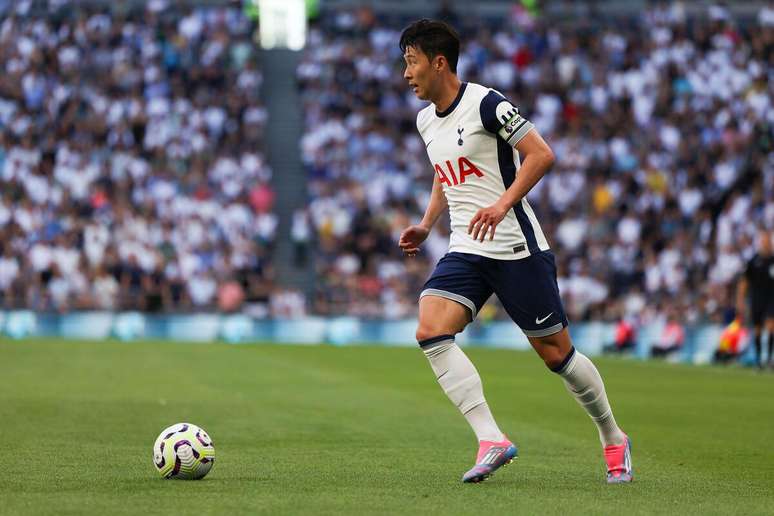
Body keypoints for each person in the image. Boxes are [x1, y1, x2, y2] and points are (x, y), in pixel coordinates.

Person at [397, 19, 632, 484]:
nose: (406, 74)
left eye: (411, 62)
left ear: (438, 62)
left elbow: (541, 153)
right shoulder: (426, 120)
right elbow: (446, 172)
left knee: (556, 355)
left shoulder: (487, 104)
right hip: (466, 246)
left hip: (516, 246)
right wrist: (428, 224)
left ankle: (613, 436)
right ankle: (491, 439)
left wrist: (503, 204)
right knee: (430, 329)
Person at [736, 230, 774, 369]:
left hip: (771, 298)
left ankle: (770, 360)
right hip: (757, 298)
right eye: (764, 241)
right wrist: (740, 300)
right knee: (757, 329)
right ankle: (758, 360)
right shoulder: (753, 261)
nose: (767, 244)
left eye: (768, 241)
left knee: (771, 326)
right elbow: (744, 281)